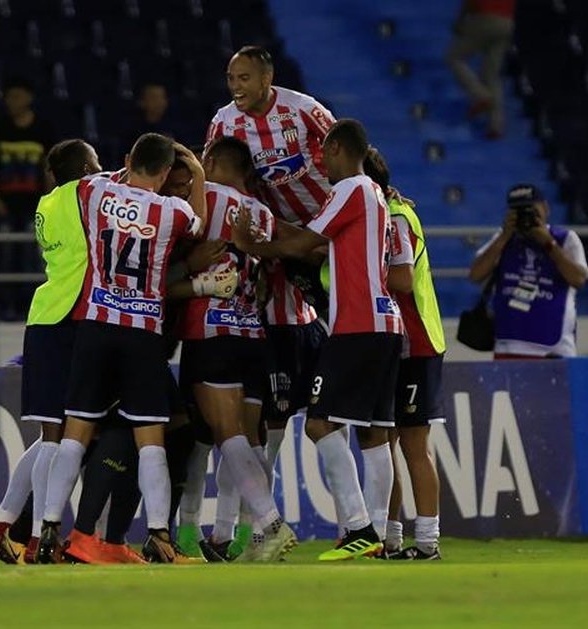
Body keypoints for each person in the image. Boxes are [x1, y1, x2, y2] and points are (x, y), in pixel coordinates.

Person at [232, 119, 403, 561]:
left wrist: (251, 244)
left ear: (342, 150)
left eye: (324, 154)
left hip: (358, 324)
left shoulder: (350, 189)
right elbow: (314, 245)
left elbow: (304, 244)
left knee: (319, 423)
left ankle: (360, 528)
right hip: (385, 323)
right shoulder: (375, 195)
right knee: (376, 434)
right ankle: (378, 535)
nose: (320, 163)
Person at [36, 134, 210, 564]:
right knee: (150, 439)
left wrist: (128, 167)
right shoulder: (172, 211)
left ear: (129, 159)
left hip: (96, 327)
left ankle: (49, 530)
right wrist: (200, 175)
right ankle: (158, 534)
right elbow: (200, 224)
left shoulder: (94, 192)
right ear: (168, 173)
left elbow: (103, 179)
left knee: (75, 432)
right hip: (142, 334)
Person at [205, 45, 337, 515]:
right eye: (230, 78)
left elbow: (350, 153)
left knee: (338, 341)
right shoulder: (224, 123)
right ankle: (247, 520)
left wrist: (380, 189)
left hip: (324, 238)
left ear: (267, 79)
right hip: (270, 244)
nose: (236, 87)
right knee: (267, 402)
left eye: (244, 78)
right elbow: (213, 179)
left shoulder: (305, 112)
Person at [0, 139, 104, 564]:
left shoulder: (47, 204)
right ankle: (36, 541)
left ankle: (1, 526)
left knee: (54, 436)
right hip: (67, 318)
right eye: (96, 163)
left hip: (46, 317)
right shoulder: (87, 192)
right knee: (58, 437)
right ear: (86, 168)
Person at [178, 135, 298, 562]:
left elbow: (183, 231)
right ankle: (253, 533)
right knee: (246, 441)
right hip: (254, 334)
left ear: (211, 160)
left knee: (222, 436)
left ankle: (270, 522)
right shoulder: (263, 214)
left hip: (213, 329)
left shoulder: (205, 195)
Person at [363, 148, 446, 560]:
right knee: (386, 441)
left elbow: (401, 278)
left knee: (413, 443)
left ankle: (428, 542)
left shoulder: (394, 216)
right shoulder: (383, 211)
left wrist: (353, 272)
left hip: (416, 342)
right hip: (392, 340)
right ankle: (390, 538)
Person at [469, 184, 588, 359]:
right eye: (517, 210)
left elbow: (578, 279)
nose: (525, 215)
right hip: (509, 344)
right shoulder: (503, 239)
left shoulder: (565, 238)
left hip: (553, 348)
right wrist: (504, 236)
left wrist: (548, 243)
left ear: (545, 208)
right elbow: (475, 275)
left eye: (530, 209)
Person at [0, 76, 57, 318]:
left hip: (33, 202)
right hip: (4, 202)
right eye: (9, 97)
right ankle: (3, 304)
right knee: (5, 255)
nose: (13, 102)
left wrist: (48, 199)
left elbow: (50, 167)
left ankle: (28, 306)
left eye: (18, 96)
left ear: (29, 98)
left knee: (32, 256)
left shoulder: (43, 128)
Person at [445, 0, 516, 139]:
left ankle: (480, 96)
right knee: (492, 75)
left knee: (454, 57)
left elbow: (470, 3)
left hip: (486, 19)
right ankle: (496, 126)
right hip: (508, 23)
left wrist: (459, 22)